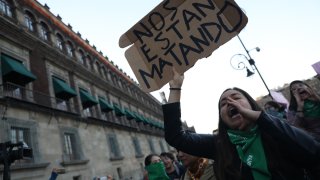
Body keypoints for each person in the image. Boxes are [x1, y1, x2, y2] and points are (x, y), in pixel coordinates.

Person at [162, 69, 320, 180]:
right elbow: (175, 136)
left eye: (236, 97)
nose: (230, 102)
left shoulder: (275, 130)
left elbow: (313, 151)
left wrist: (261, 118)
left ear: (251, 104)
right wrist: (175, 87)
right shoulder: (219, 144)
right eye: (223, 103)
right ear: (222, 117)